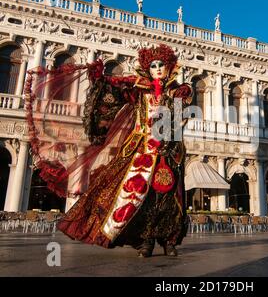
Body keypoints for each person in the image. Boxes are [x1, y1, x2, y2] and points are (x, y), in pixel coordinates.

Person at [25, 44, 193, 257]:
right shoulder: (138, 89)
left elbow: (179, 119)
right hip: (140, 149)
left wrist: (168, 136)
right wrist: (100, 79)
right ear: (148, 68)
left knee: (169, 197)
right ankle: (146, 240)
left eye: (162, 65)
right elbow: (114, 91)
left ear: (169, 67)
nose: (158, 68)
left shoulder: (177, 90)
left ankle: (169, 241)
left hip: (168, 152)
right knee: (140, 196)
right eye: (154, 65)